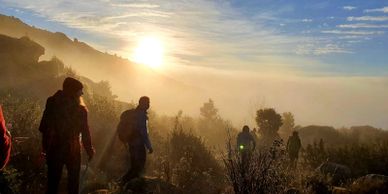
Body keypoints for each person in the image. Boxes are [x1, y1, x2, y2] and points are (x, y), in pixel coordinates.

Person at [39, 77, 95, 194]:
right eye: (80, 90)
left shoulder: (52, 102)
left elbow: (44, 126)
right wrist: (89, 150)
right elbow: (85, 132)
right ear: (73, 91)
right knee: (73, 184)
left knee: (52, 184)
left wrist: (45, 147)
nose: (82, 93)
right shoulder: (80, 110)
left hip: (54, 149)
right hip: (73, 150)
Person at [120, 96, 153, 184]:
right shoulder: (141, 115)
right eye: (148, 103)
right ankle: (124, 183)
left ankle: (124, 184)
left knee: (134, 166)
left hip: (132, 144)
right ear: (142, 103)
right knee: (138, 167)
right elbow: (144, 132)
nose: (149, 105)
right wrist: (149, 146)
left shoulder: (134, 113)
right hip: (138, 145)